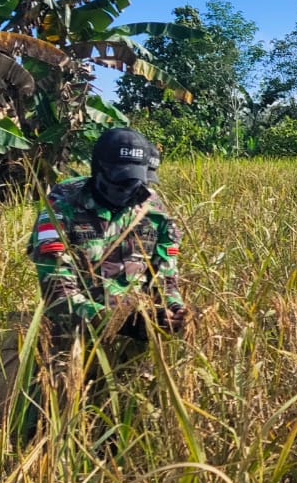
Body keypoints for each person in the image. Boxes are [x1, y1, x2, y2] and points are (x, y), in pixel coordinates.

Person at [29, 127, 187, 347]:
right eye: (120, 181)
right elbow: (57, 293)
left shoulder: (152, 208)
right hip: (75, 339)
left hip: (136, 341)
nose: (128, 190)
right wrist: (124, 323)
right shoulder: (63, 206)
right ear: (98, 171)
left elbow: (166, 278)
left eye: (135, 182)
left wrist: (174, 309)